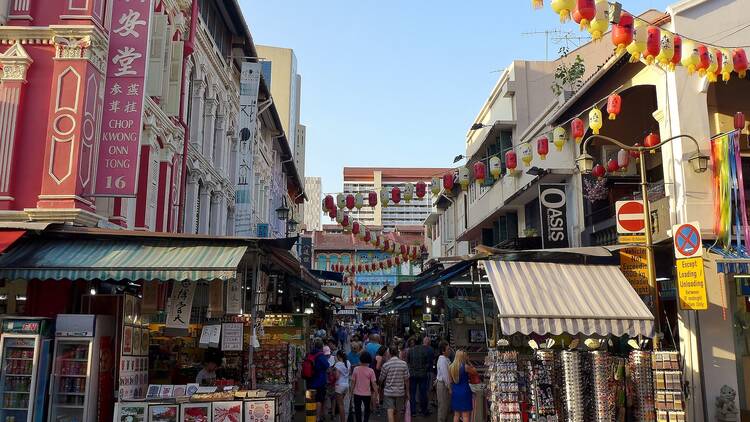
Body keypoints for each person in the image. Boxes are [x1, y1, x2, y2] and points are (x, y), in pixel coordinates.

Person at [379, 345, 410, 422]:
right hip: (400, 392)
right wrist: (407, 392)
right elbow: (406, 379)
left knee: (390, 410)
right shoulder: (404, 364)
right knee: (398, 411)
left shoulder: (386, 364)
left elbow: (381, 379)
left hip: (389, 392)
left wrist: (379, 387)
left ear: (389, 353)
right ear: (397, 352)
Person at [407, 336, 434, 417]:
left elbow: (408, 362)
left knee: (413, 393)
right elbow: (428, 362)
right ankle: (423, 410)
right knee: (423, 393)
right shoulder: (425, 350)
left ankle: (413, 411)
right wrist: (424, 369)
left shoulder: (410, 350)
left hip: (413, 374)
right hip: (423, 374)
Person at [307, 338, 330, 421]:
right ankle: (317, 418)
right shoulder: (321, 356)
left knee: (310, 399)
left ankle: (310, 416)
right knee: (319, 399)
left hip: (309, 380)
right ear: (321, 347)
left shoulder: (310, 354)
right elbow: (327, 365)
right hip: (319, 381)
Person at [351, 351, 378, 422]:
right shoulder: (371, 371)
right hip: (367, 394)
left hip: (357, 393)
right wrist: (376, 393)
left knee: (357, 410)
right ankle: (365, 420)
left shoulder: (356, 369)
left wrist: (351, 392)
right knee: (367, 409)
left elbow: (353, 382)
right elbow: (374, 383)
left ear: (360, 359)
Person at [449, 350, 473, 422]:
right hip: (464, 391)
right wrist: (468, 361)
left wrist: (450, 390)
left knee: (456, 415)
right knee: (465, 415)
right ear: (463, 357)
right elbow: (474, 372)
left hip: (455, 391)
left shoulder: (450, 367)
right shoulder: (465, 367)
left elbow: (450, 381)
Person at [435, 341, 452, 422]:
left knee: (445, 407)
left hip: (444, 384)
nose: (449, 350)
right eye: (448, 349)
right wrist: (449, 387)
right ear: (443, 351)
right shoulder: (442, 360)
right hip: (443, 385)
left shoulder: (446, 359)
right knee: (443, 407)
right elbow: (445, 376)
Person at [333, 350, 352, 422]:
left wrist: (334, 372)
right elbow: (349, 373)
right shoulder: (348, 362)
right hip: (346, 385)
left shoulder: (338, 364)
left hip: (339, 385)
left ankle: (343, 420)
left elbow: (337, 376)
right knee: (342, 404)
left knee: (340, 405)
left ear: (338, 356)